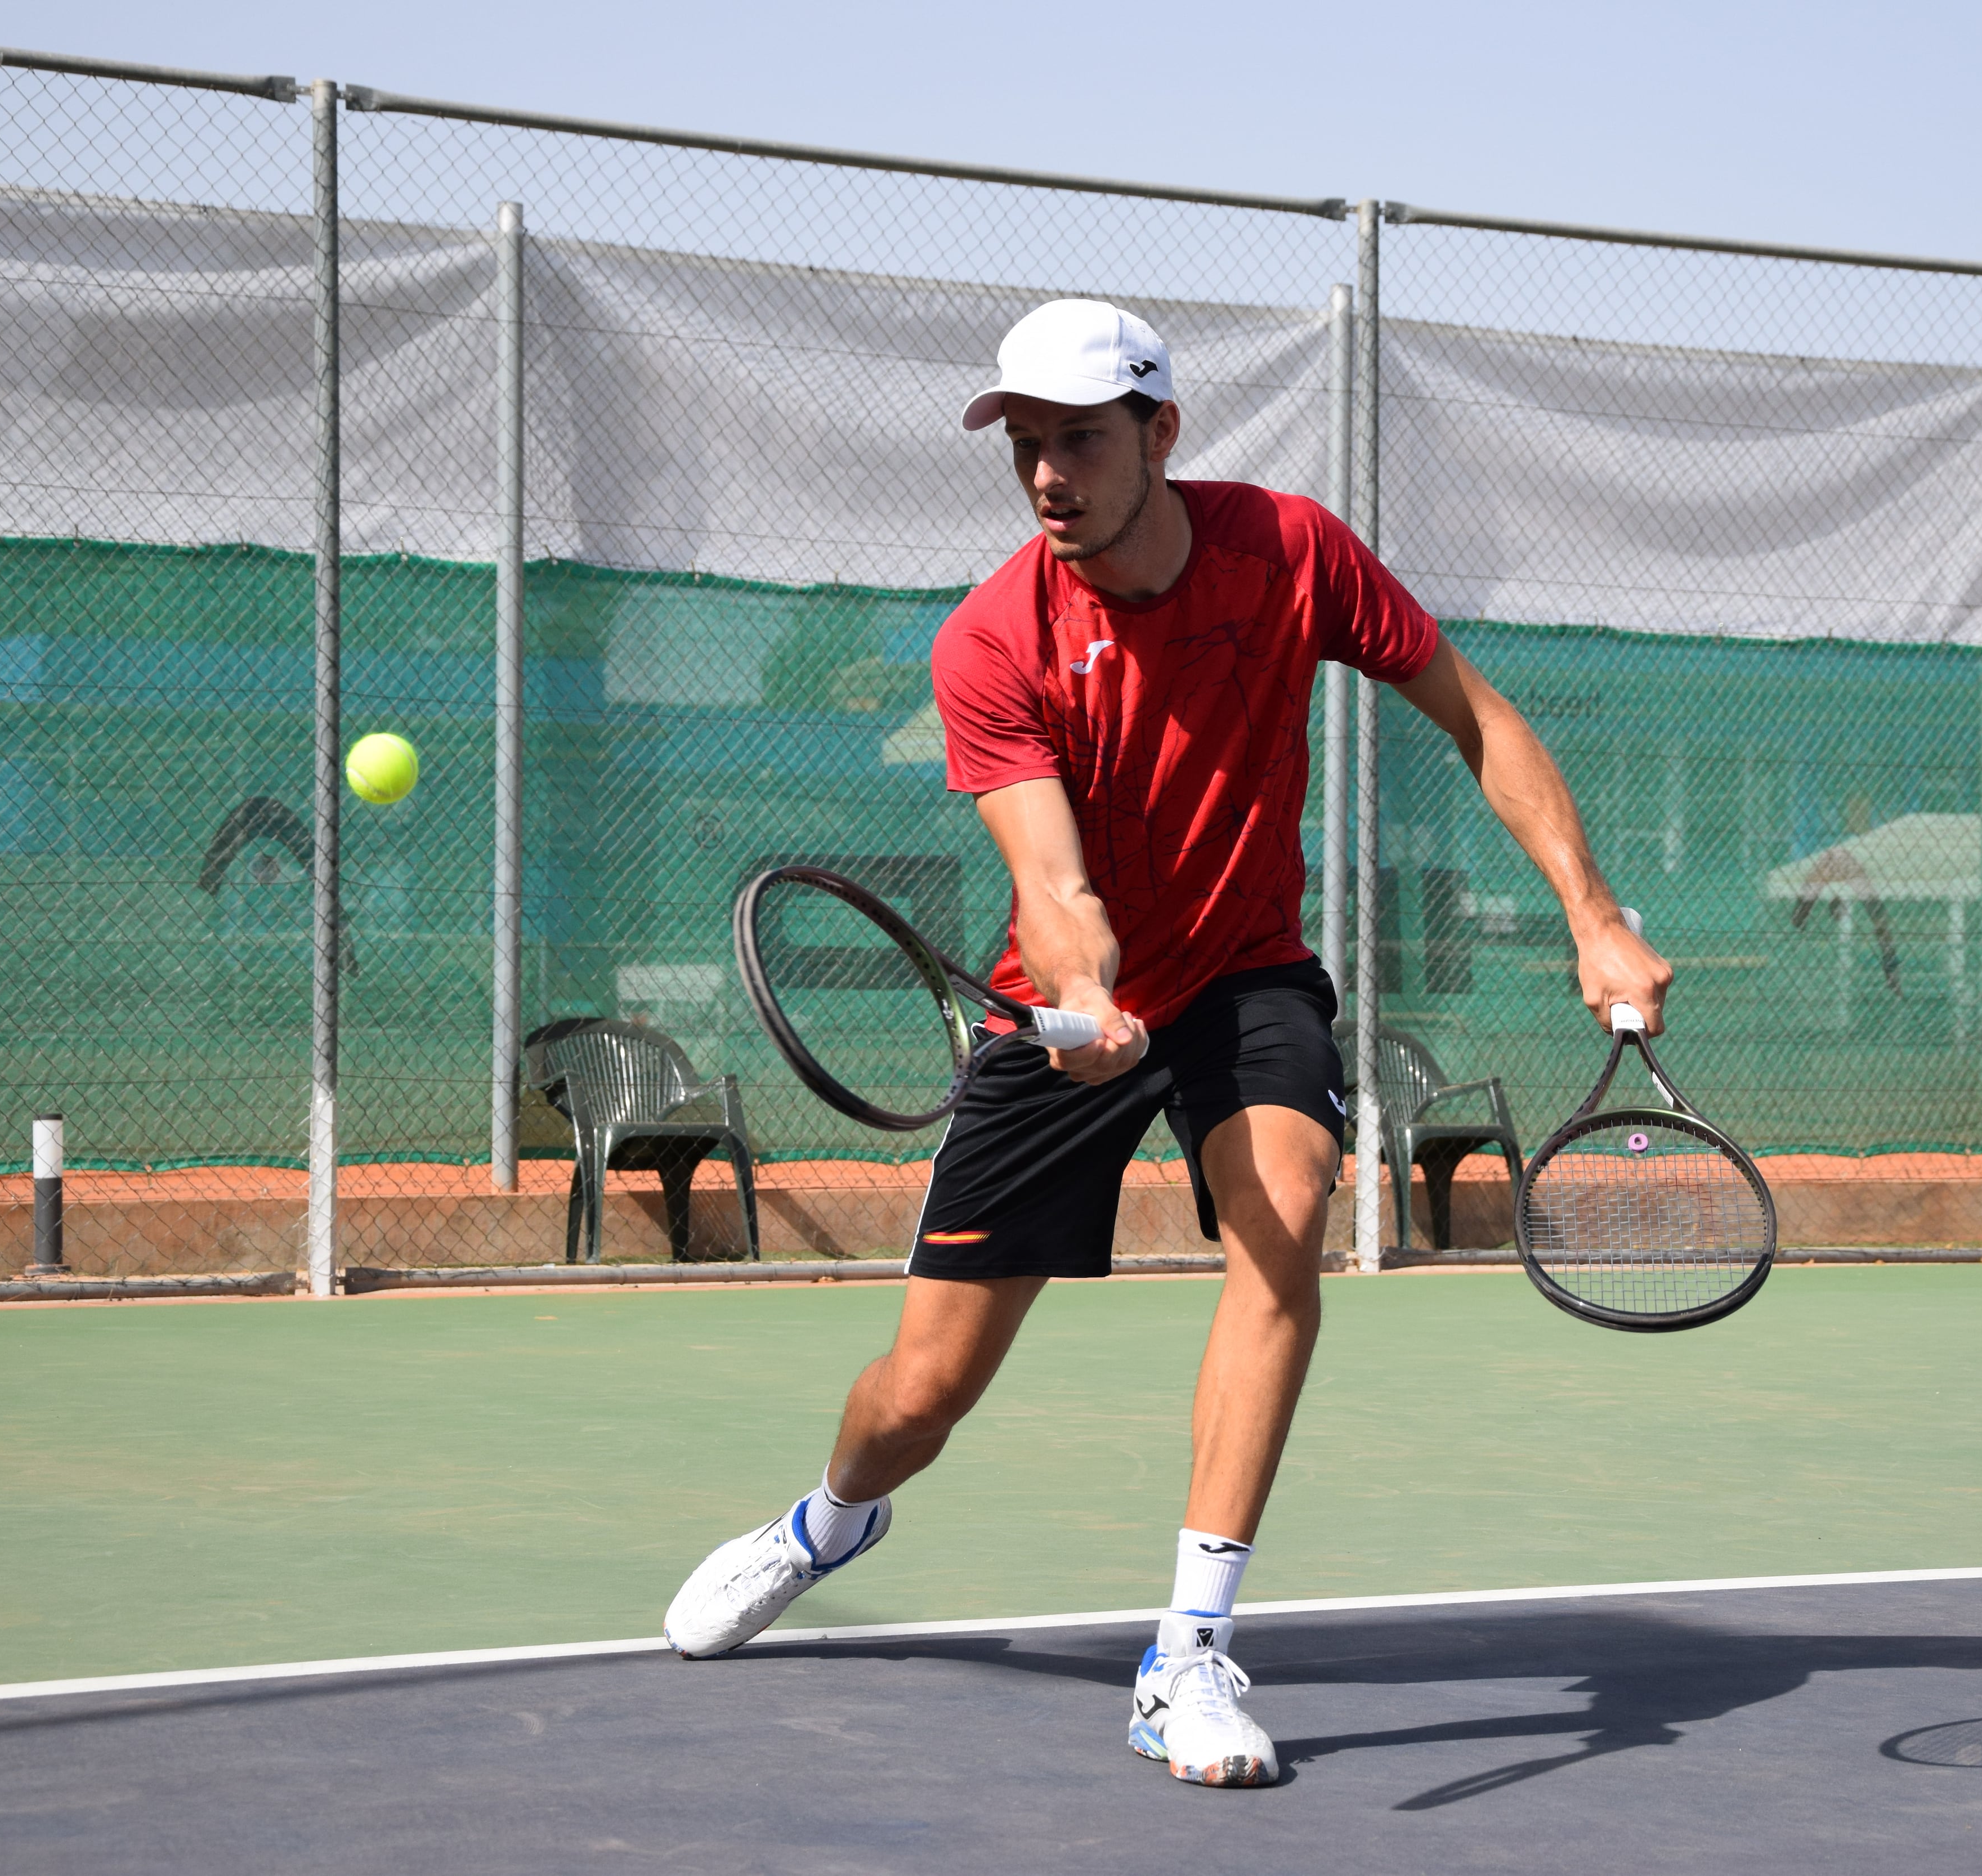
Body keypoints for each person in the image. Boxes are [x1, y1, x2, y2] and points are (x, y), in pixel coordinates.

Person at [663, 298, 1670, 1787]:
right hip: (1069, 1004)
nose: (1048, 476)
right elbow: (1051, 882)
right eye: (1024, 446)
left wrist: (1590, 911)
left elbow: (1476, 716)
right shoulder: (995, 639)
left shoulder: (1291, 554)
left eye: (1078, 440)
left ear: (1162, 437)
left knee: (1288, 1211)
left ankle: (1187, 1656)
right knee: (920, 1399)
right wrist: (1085, 988)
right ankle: (828, 1520)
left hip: (1249, 973)